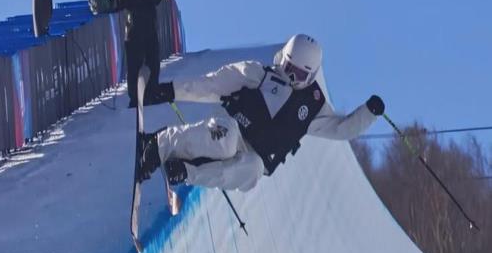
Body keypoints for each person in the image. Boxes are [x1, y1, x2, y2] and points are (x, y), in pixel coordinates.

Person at [140, 34, 386, 191]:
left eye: (299, 75)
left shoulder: (313, 107)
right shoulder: (258, 75)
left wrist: (368, 113)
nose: (291, 77)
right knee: (226, 141)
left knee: (253, 170)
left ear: (311, 76)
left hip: (257, 153)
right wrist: (171, 90)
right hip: (233, 128)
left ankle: (185, 172)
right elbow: (212, 84)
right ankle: (158, 144)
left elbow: (341, 130)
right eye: (288, 67)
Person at [116, 0, 163, 108]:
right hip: (133, 34)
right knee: (134, 68)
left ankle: (151, 94)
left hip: (149, 33)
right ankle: (135, 98)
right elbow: (119, 1)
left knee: (153, 65)